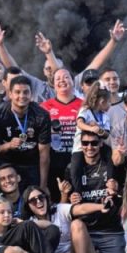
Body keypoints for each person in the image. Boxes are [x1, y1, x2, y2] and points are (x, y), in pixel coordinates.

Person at [26, 184, 119, 253]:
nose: (38, 201)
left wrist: (101, 206)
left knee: (77, 224)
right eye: (33, 200)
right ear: (28, 206)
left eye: (41, 197)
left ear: (46, 198)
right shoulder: (30, 224)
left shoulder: (58, 209)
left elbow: (80, 208)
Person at [65, 130, 124, 253]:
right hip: (86, 231)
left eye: (94, 143)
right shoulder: (72, 169)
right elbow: (66, 206)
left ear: (101, 144)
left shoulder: (111, 166)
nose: (89, 147)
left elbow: (124, 193)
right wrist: (68, 197)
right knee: (76, 224)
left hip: (110, 230)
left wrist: (117, 190)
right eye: (85, 143)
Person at [0, 75, 52, 187]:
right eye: (17, 92)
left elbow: (44, 153)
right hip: (7, 164)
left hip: (32, 164)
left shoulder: (42, 115)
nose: (22, 96)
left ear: (31, 94)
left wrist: (43, 185)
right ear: (10, 94)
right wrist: (8, 145)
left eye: (26, 92)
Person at [41, 68, 82, 198]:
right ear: (53, 84)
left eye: (66, 77)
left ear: (73, 81)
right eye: (58, 79)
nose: (62, 81)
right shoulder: (44, 107)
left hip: (78, 157)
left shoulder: (84, 105)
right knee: (56, 197)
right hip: (54, 159)